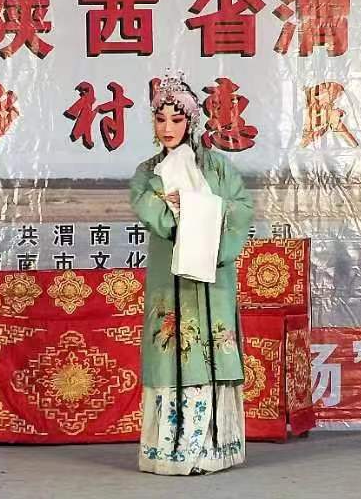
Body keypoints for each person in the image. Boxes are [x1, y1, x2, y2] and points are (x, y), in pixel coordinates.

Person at [129, 70, 254, 475]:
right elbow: (157, 217)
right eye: (160, 119)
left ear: (191, 121)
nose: (168, 128)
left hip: (212, 277)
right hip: (171, 277)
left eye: (177, 119)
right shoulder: (147, 173)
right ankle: (171, 450)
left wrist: (199, 208)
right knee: (171, 350)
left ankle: (214, 449)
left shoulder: (217, 168)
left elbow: (241, 208)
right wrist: (181, 210)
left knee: (213, 350)